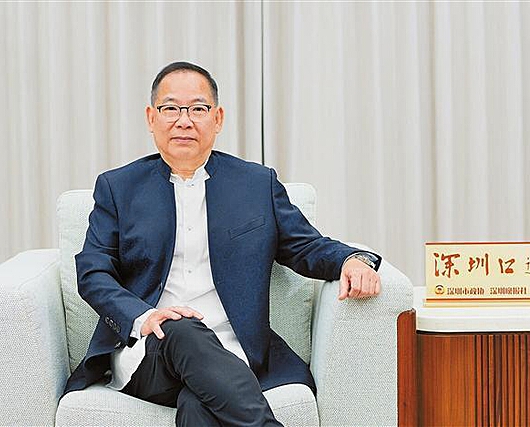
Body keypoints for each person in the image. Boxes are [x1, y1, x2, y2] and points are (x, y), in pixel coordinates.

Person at [64, 61, 382, 426]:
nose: (184, 121)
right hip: (149, 349)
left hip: (233, 349)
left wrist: (351, 260)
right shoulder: (118, 188)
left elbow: (305, 246)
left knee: (198, 404)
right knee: (181, 329)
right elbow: (93, 273)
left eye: (198, 109)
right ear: (152, 118)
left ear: (218, 119)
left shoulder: (256, 184)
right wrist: (144, 316)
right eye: (171, 109)